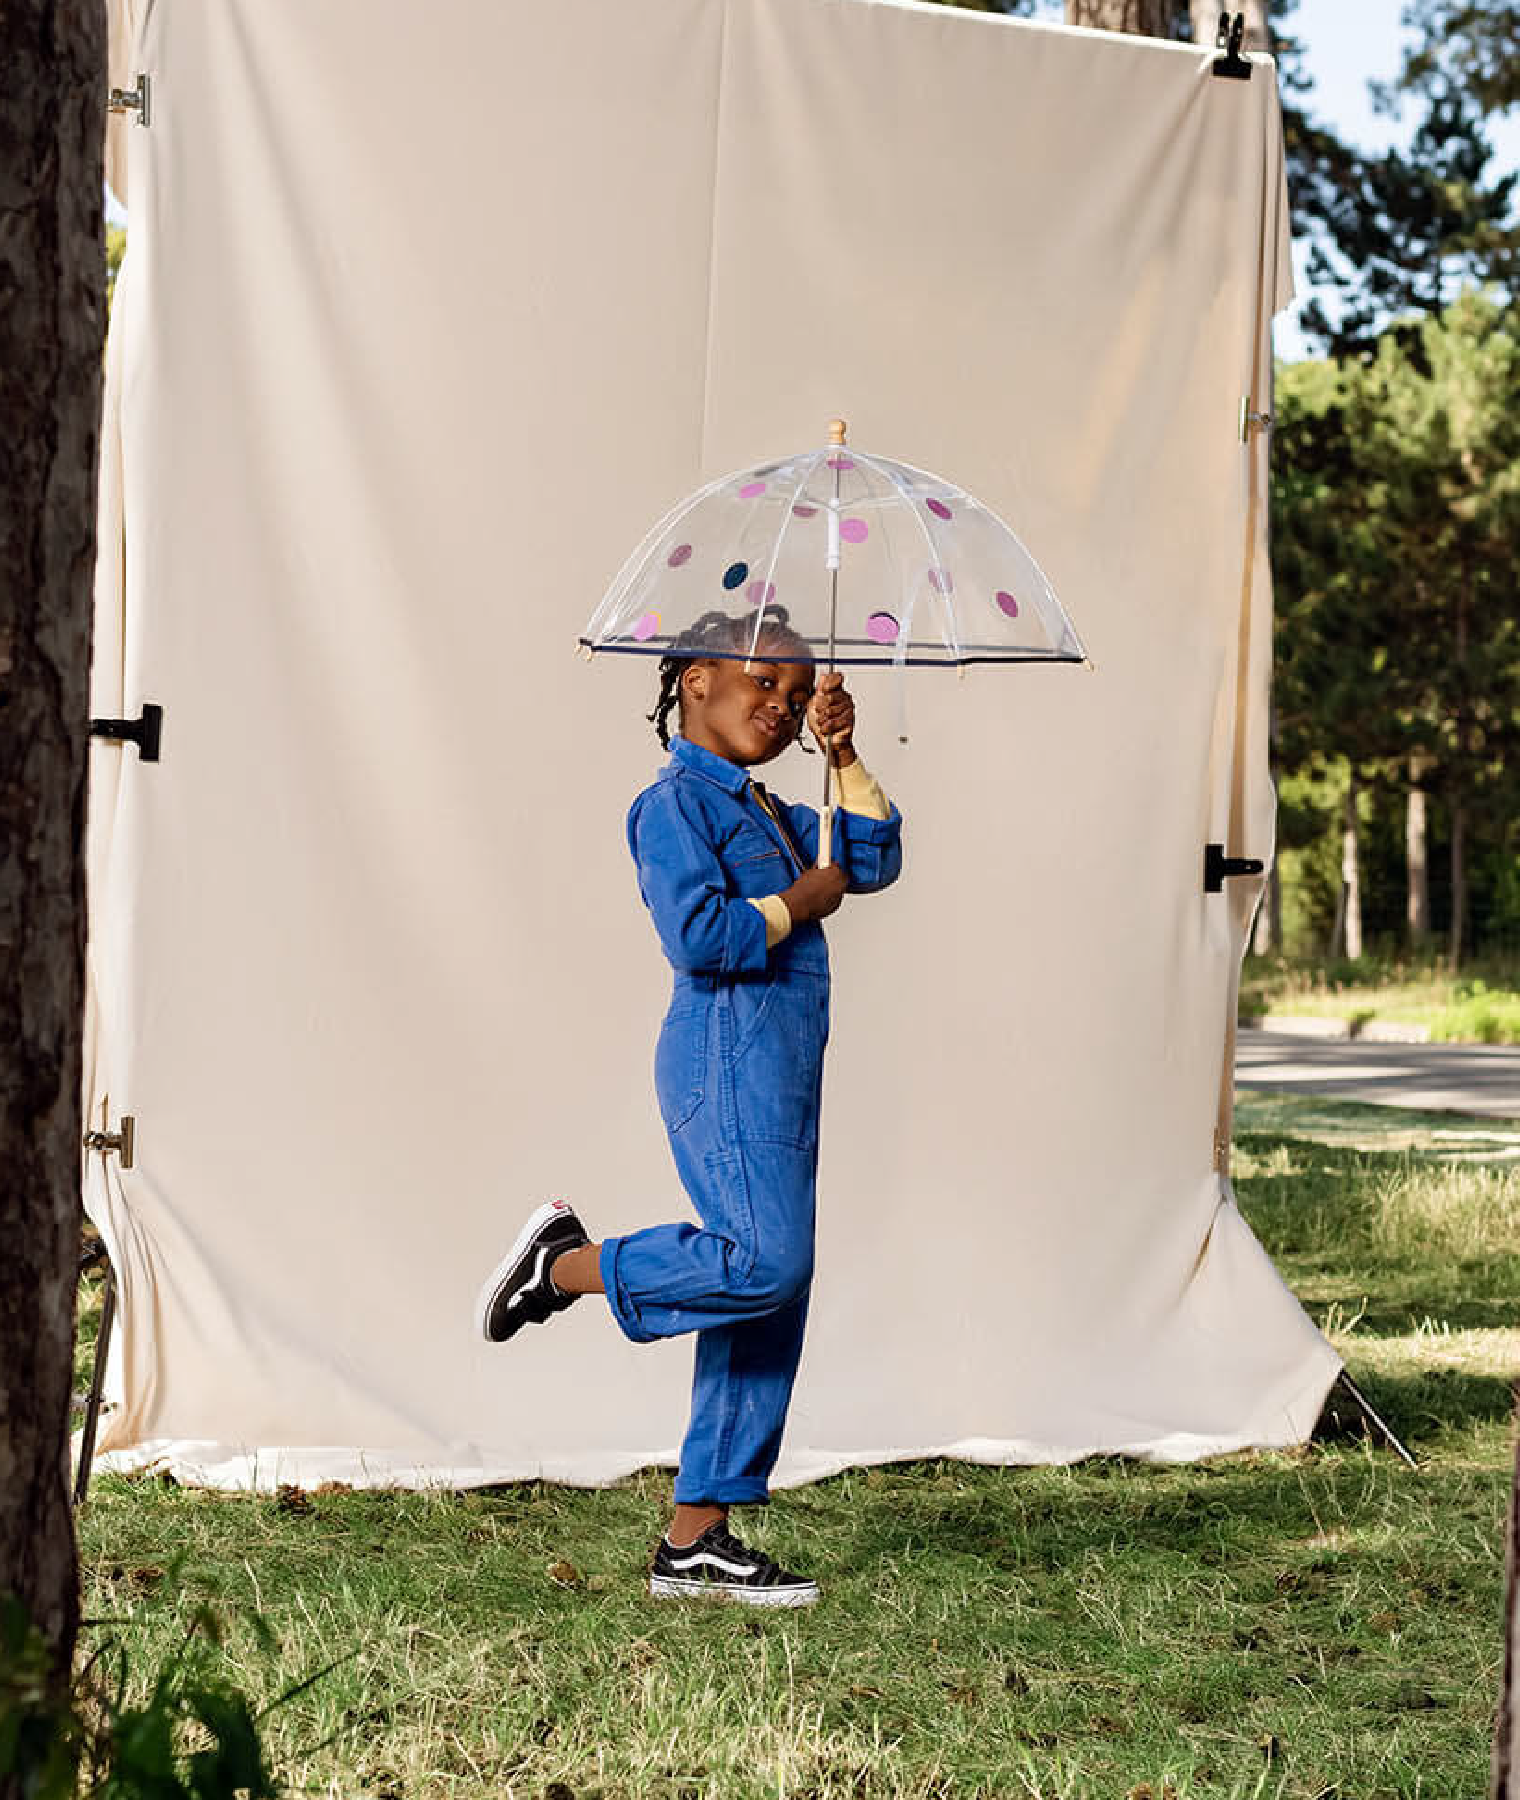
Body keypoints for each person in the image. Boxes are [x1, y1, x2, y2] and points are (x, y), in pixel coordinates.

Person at [475, 607, 902, 1606]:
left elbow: (871, 861)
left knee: (766, 1287)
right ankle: (563, 1264)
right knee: (764, 1260)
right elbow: (701, 936)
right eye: (764, 684)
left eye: (799, 698)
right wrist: (800, 901)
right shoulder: (674, 806)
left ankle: (697, 1536)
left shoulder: (765, 810)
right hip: (725, 1056)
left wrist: (842, 756)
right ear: (694, 679)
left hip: (786, 1067)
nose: (783, 708)